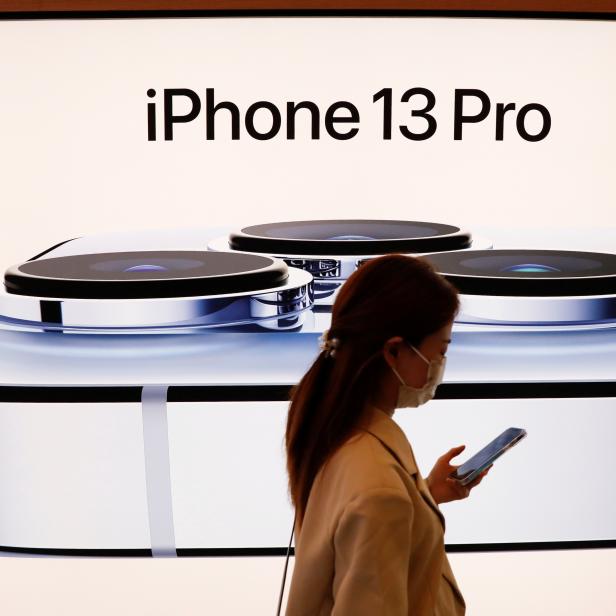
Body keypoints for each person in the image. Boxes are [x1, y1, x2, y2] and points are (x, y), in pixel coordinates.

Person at [284, 254, 490, 615]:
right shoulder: (380, 490)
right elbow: (376, 505)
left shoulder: (340, 432)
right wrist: (404, 498)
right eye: (440, 350)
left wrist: (424, 495)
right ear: (395, 351)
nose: (441, 364)